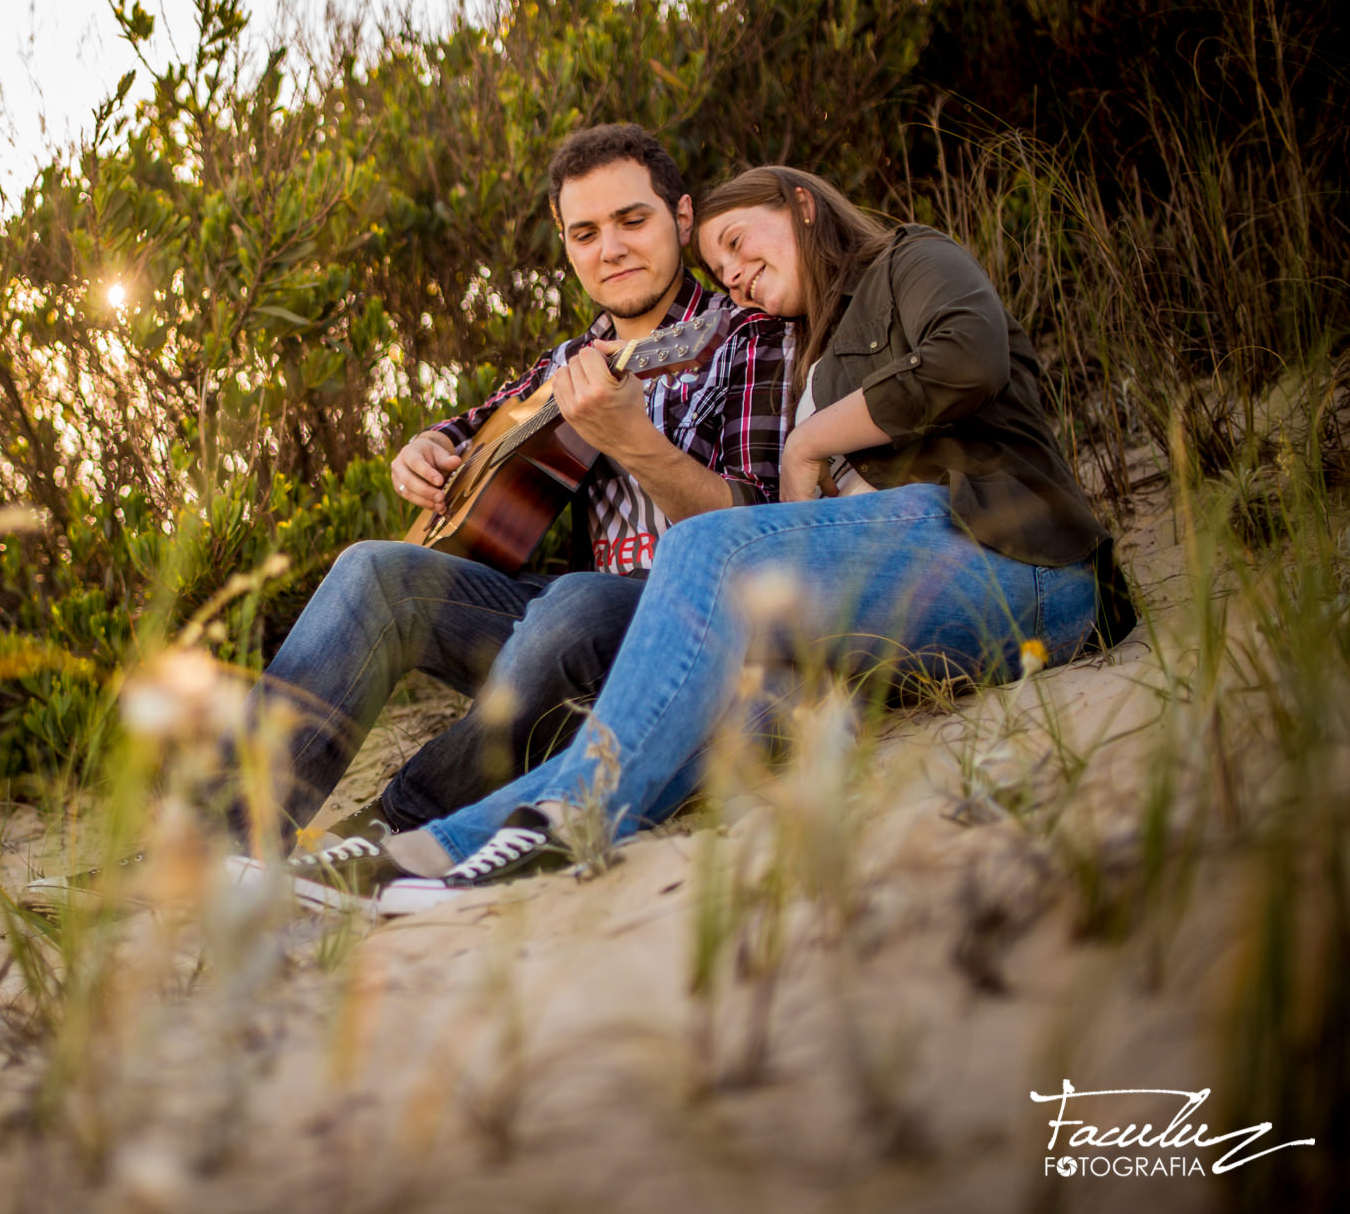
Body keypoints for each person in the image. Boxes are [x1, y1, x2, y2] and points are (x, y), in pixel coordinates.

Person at [302, 165, 1135, 910]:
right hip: (875, 600)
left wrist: (797, 447)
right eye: (726, 266)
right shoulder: (800, 344)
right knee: (746, 708)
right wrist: (432, 444)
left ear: (799, 204)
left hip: (1013, 551)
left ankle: (478, 825)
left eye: (736, 244)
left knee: (686, 560)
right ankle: (407, 853)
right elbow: (489, 421)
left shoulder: (892, 269)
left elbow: (964, 359)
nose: (736, 274)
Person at [234, 125, 795, 869]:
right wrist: (425, 447)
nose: (612, 249)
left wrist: (632, 438)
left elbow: (755, 532)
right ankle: (220, 840)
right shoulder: (566, 362)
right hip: (554, 649)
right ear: (566, 246)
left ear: (682, 219)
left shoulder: (746, 333)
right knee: (375, 569)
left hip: (699, 633)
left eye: (633, 220)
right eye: (586, 232)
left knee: (575, 601)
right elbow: (471, 428)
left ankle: (394, 823)